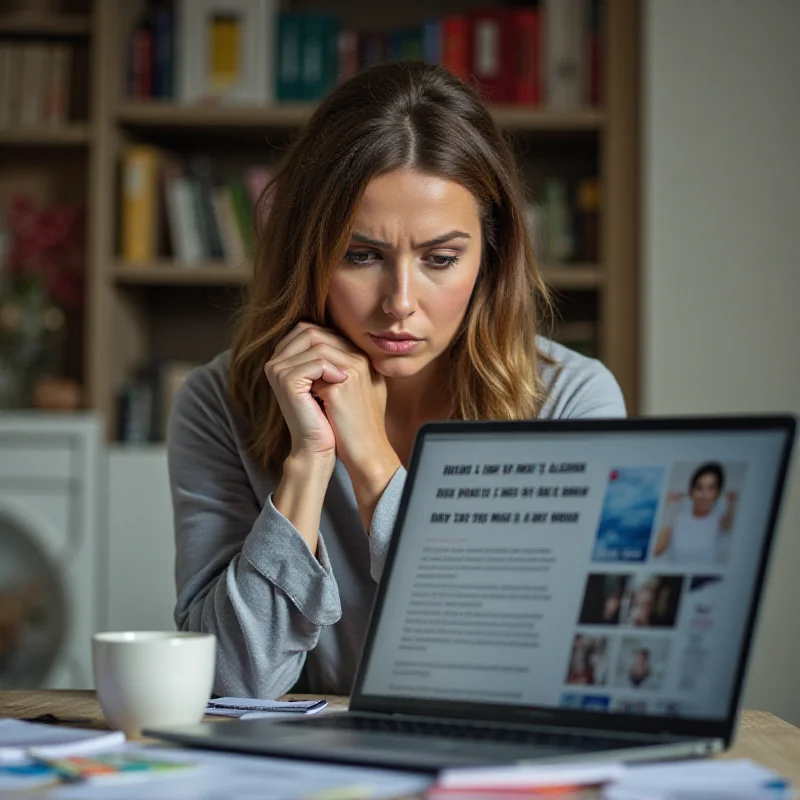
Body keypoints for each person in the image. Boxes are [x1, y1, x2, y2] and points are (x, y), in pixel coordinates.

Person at [168, 61, 626, 699]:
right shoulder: (219, 402)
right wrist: (309, 464)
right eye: (361, 256)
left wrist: (373, 465)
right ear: (309, 252)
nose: (400, 302)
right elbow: (227, 681)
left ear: (490, 257)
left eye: (440, 258)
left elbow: (508, 664)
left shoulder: (571, 399)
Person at [653, 463, 738, 564]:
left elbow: (728, 524)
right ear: (692, 490)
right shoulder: (678, 514)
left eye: (710, 488)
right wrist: (668, 506)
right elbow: (658, 550)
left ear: (717, 492)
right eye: (699, 487)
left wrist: (732, 503)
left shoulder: (720, 517)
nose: (704, 494)